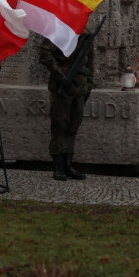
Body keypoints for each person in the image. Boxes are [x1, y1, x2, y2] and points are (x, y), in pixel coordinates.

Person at [40, 34, 95, 181]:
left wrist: (89, 86)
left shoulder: (86, 35)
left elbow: (90, 64)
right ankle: (58, 166)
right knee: (59, 126)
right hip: (61, 88)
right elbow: (44, 53)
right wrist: (60, 74)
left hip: (80, 89)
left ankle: (68, 165)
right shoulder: (59, 30)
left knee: (73, 127)